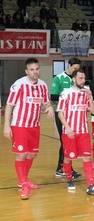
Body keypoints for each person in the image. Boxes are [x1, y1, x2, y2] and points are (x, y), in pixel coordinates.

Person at [3, 58, 54, 200]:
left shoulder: (43, 85)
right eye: (32, 69)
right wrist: (6, 125)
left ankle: (23, 179)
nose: (35, 72)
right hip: (20, 125)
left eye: (37, 69)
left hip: (35, 126)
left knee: (32, 154)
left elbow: (45, 102)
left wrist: (49, 107)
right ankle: (24, 185)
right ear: (26, 71)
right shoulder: (19, 85)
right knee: (21, 154)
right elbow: (10, 105)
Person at [57, 69, 94, 194]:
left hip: (83, 132)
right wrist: (68, 128)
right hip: (69, 132)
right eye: (80, 78)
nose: (83, 80)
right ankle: (69, 179)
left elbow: (93, 111)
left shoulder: (85, 93)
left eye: (84, 78)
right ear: (73, 79)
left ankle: (90, 185)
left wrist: (90, 96)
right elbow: (60, 113)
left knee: (87, 158)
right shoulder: (66, 93)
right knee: (68, 158)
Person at [50, 57, 81, 179]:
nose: (76, 71)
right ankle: (61, 168)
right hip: (62, 114)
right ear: (69, 65)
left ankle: (66, 168)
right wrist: (69, 99)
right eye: (75, 68)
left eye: (78, 69)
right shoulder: (58, 78)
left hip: (74, 116)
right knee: (65, 141)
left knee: (70, 141)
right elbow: (53, 96)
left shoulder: (77, 80)